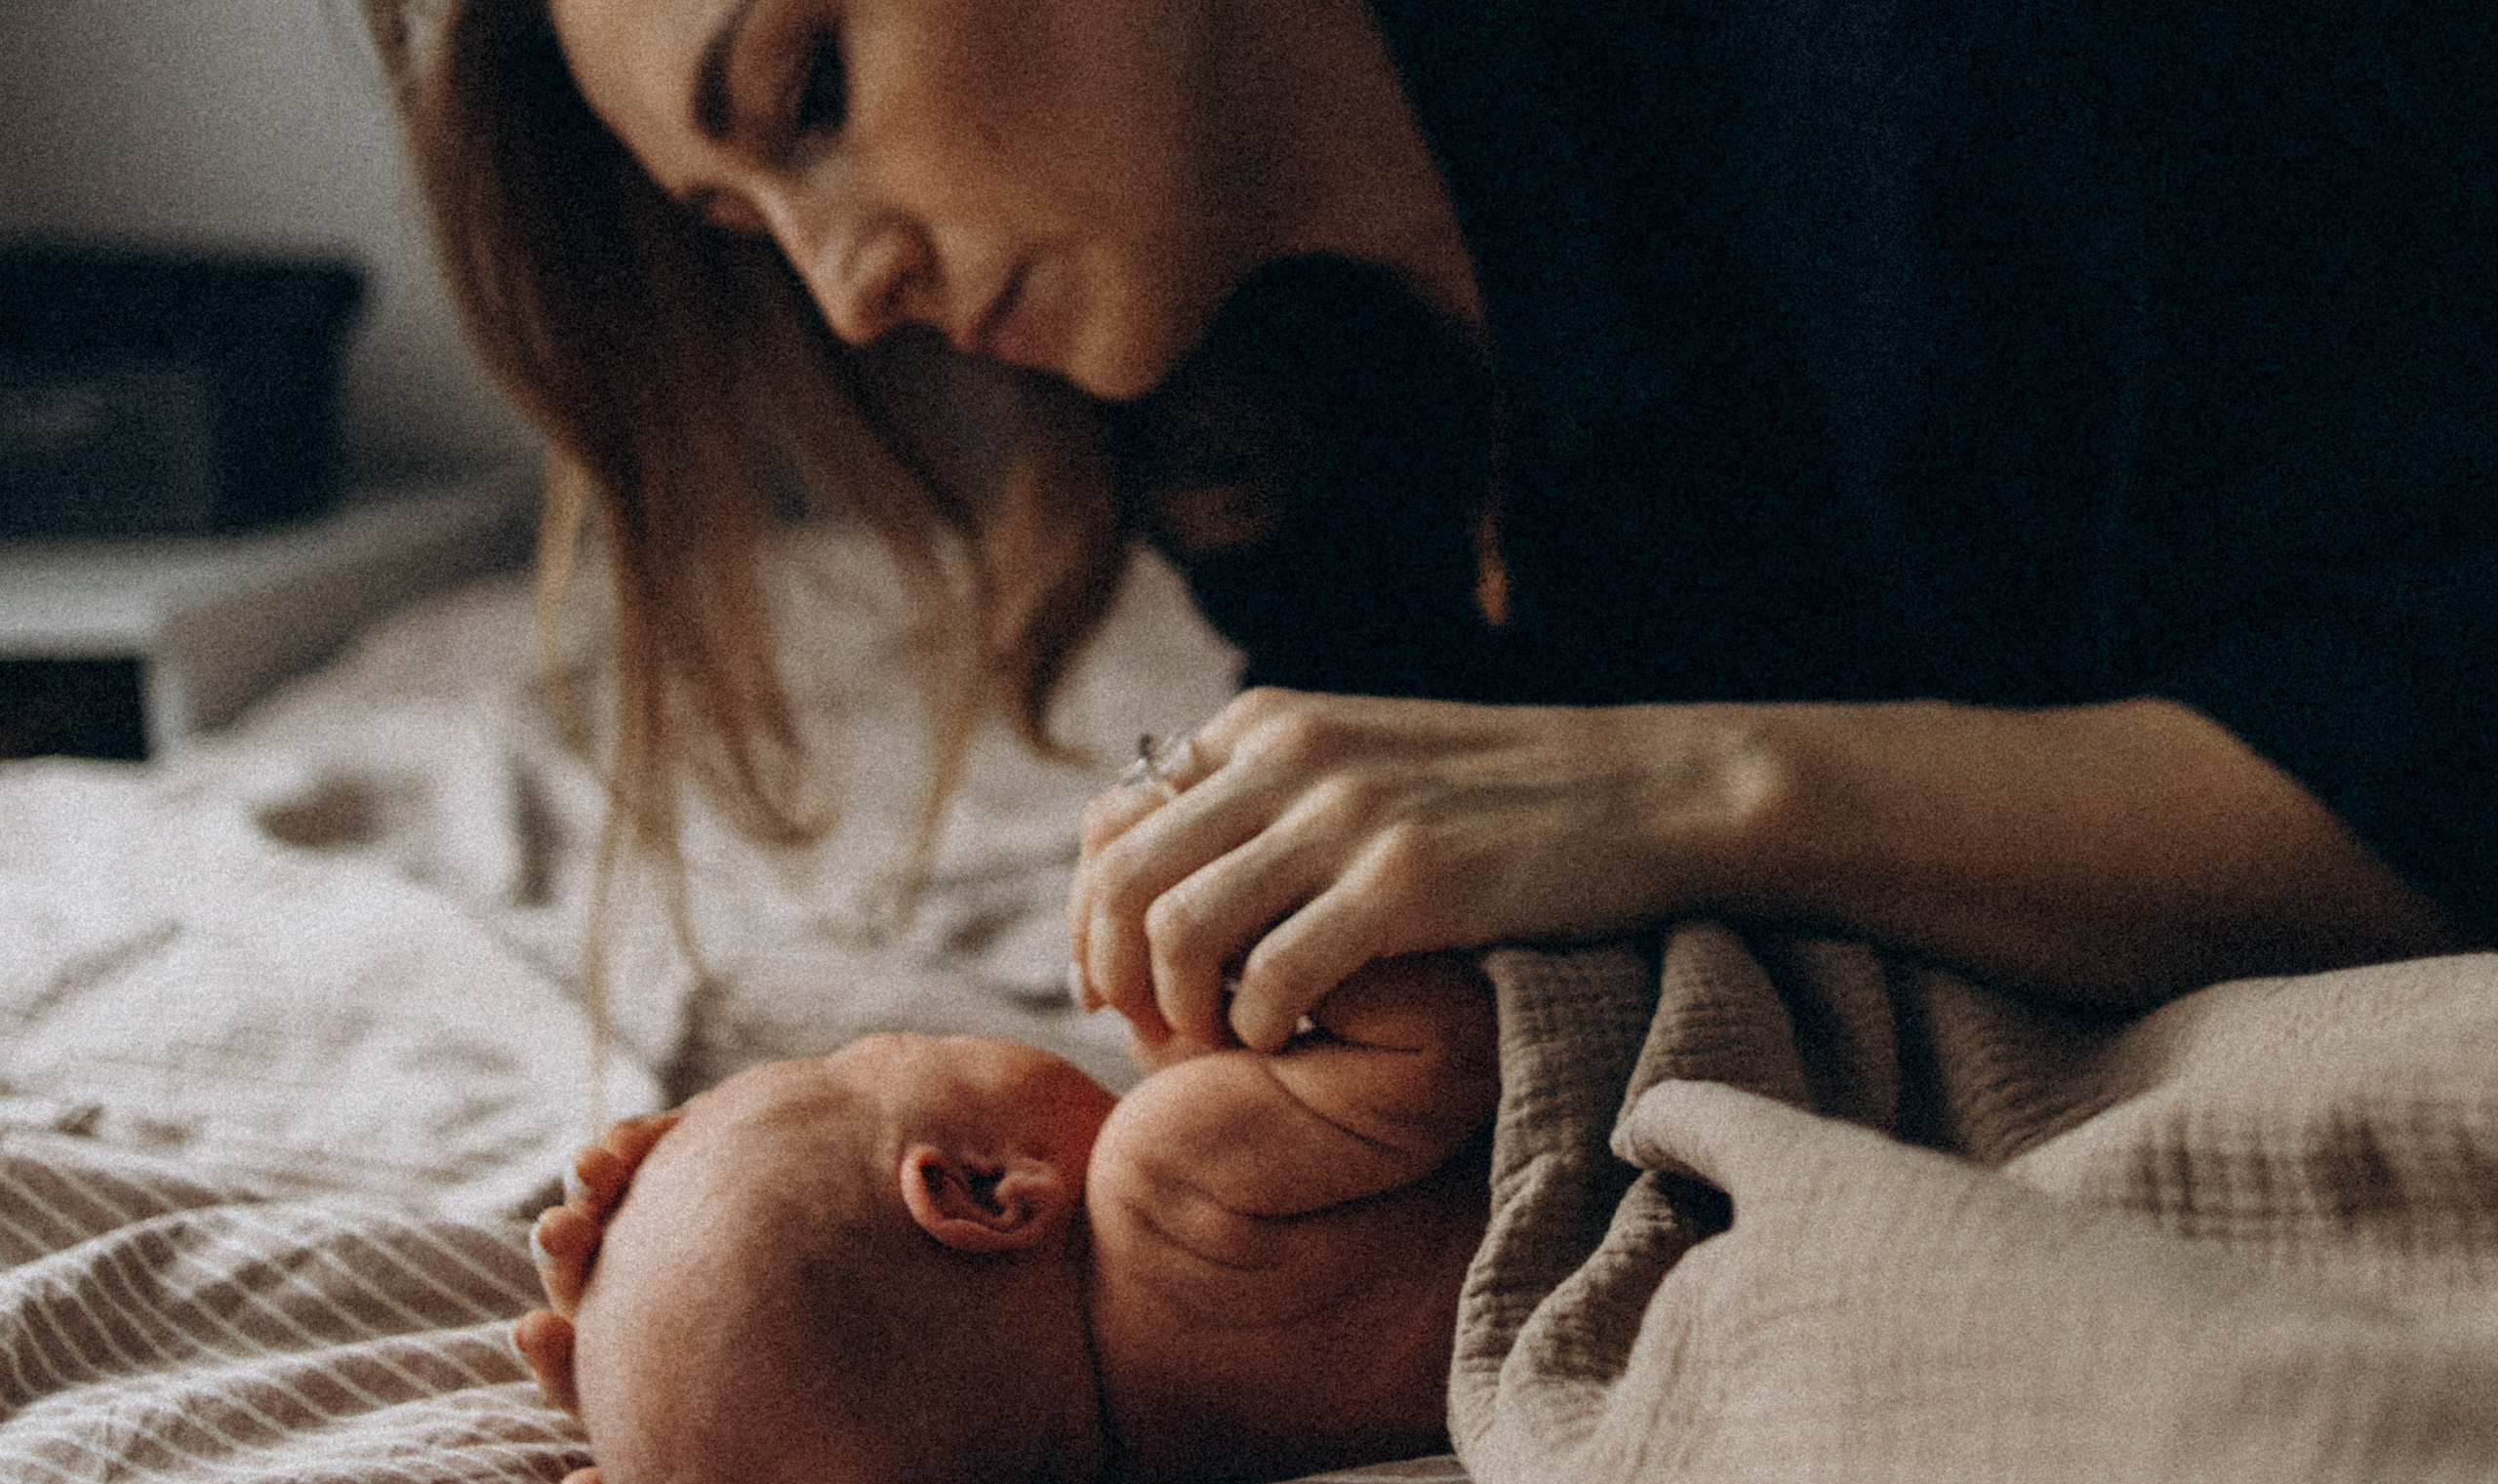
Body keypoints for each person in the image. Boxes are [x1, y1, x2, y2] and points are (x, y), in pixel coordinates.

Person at [359, 0, 2494, 1056]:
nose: (847, 295)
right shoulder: (1263, 399)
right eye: (747, 226)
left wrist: (1694, 791)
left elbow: (2433, 728)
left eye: (809, 94)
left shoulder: (1955, 83)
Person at [509, 951, 1500, 1484]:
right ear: (985, 1194)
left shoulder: (1140, 1455)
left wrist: (697, 1478)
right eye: (902, 1048)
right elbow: (1451, 1040)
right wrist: (1238, 961)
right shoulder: (1162, 1173)